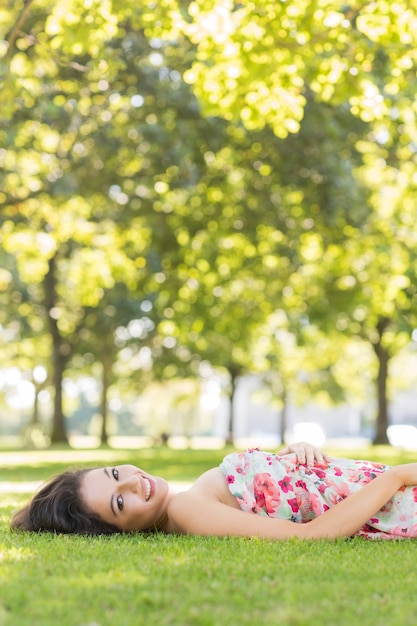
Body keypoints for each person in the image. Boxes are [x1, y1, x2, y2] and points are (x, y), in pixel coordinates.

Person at [10, 442, 417, 540]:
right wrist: (395, 477)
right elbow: (310, 536)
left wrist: (293, 454)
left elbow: (283, 499)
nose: (134, 482)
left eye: (117, 472)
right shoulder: (187, 508)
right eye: (120, 501)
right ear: (119, 532)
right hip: (399, 500)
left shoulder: (194, 497)